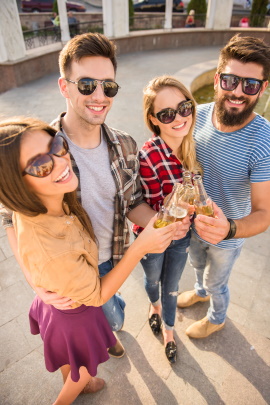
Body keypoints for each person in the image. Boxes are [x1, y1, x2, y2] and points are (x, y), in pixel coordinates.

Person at [1, 33, 190, 356]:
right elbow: (12, 218)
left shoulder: (126, 144)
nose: (99, 96)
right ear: (64, 87)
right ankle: (107, 337)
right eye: (87, 85)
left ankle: (108, 332)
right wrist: (36, 284)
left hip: (113, 256)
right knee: (107, 318)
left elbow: (133, 202)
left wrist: (163, 224)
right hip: (72, 267)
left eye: (109, 86)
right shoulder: (42, 151)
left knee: (112, 313)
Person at [0, 117, 177, 405]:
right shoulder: (54, 247)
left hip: (54, 305)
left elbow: (9, 214)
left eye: (57, 145)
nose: (60, 161)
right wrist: (140, 247)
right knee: (80, 375)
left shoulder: (39, 206)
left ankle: (84, 380)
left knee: (70, 360)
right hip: (75, 316)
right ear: (17, 186)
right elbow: (96, 295)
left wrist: (34, 278)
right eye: (41, 165)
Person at [177, 34, 270, 339]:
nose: (238, 92)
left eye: (251, 85)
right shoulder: (196, 115)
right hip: (193, 224)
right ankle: (200, 291)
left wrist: (227, 229)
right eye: (230, 81)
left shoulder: (263, 141)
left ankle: (217, 318)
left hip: (228, 235)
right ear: (217, 80)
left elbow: (263, 213)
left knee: (219, 282)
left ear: (263, 88)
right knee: (196, 263)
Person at [132, 76, 201, 363]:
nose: (179, 118)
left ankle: (170, 332)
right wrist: (177, 215)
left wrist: (196, 210)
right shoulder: (148, 155)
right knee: (152, 279)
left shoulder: (193, 150)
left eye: (184, 107)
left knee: (172, 284)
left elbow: (196, 200)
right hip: (152, 236)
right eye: (167, 114)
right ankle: (154, 307)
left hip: (181, 237)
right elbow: (145, 205)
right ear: (154, 120)